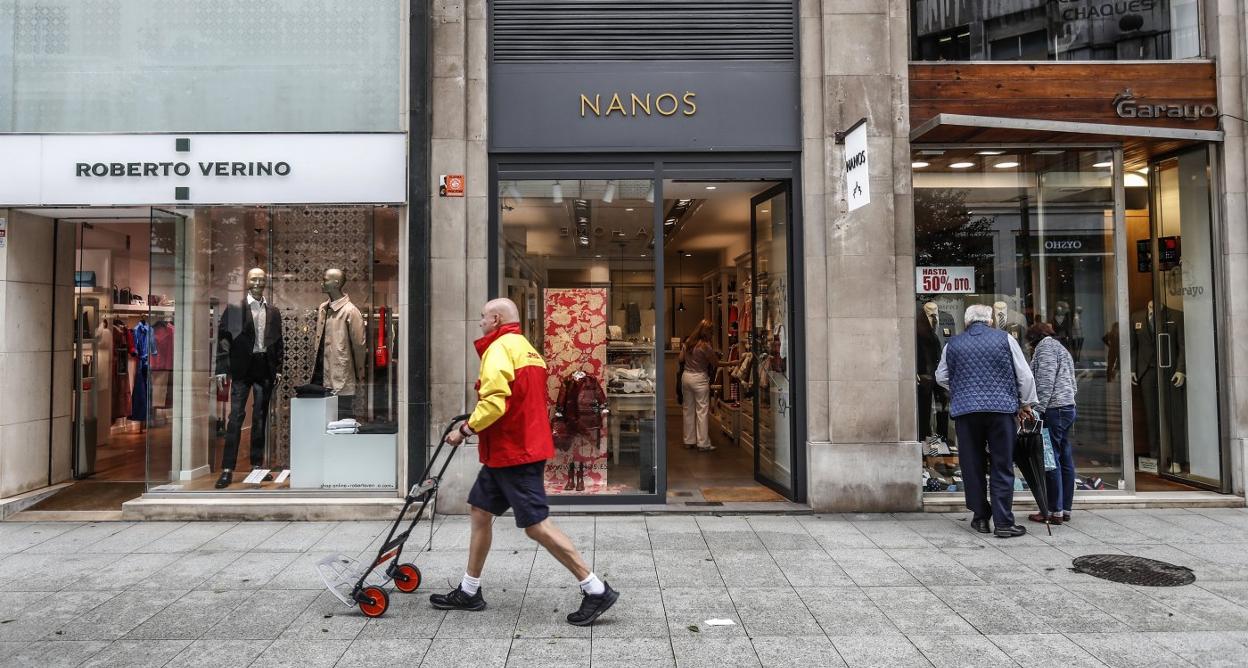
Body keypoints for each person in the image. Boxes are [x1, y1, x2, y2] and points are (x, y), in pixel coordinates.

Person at [435, 298, 619, 626]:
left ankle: (595, 589)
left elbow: (494, 402)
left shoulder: (499, 349)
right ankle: (469, 589)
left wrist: (465, 429)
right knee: (480, 511)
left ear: (495, 318)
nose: (479, 323)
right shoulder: (526, 348)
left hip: (514, 453)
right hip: (512, 450)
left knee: (536, 525)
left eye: (482, 318)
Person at [935, 303, 1038, 538]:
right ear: (990, 320)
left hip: (967, 412)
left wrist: (961, 388)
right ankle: (1003, 522)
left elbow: (941, 376)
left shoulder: (953, 344)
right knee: (1002, 465)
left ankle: (980, 518)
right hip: (1001, 411)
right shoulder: (1005, 340)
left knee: (972, 466)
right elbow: (1024, 374)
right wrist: (1026, 403)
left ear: (967, 322)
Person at [1027, 322, 1077, 525]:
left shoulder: (1045, 348)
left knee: (1050, 459)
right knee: (1065, 458)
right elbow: (1072, 382)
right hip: (1066, 407)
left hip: (1053, 409)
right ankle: (1065, 509)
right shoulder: (1060, 347)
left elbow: (1045, 382)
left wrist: (1037, 410)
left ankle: (1053, 510)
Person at [678, 319, 732, 451]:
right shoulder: (705, 346)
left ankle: (688, 440)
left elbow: (681, 359)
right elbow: (716, 363)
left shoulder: (687, 343)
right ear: (706, 332)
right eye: (711, 332)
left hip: (686, 377)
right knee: (702, 411)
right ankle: (703, 443)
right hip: (699, 379)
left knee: (688, 410)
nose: (712, 334)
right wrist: (732, 363)